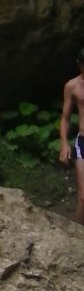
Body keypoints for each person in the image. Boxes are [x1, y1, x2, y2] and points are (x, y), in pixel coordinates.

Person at [59, 48, 84, 225]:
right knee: (83, 197)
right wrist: (64, 144)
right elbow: (65, 118)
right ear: (79, 64)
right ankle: (75, 238)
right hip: (83, 143)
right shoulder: (73, 86)